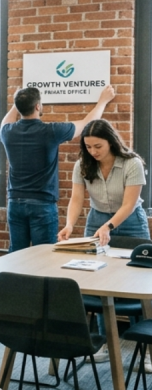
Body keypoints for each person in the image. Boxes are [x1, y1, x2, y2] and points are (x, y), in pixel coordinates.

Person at [57, 119, 149, 364]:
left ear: (111, 141)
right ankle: (103, 344)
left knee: (136, 282)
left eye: (98, 146)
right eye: (88, 147)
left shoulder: (132, 163)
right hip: (96, 217)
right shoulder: (82, 165)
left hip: (130, 220)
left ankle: (146, 350)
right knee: (97, 280)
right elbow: (76, 199)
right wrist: (69, 225)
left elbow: (129, 204)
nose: (93, 152)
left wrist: (109, 226)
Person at [0, 85, 115, 252]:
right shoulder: (50, 131)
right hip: (42, 204)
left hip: (15, 203)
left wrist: (17, 102)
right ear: (38, 106)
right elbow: (86, 124)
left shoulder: (8, 132)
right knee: (45, 255)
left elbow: (5, 122)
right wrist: (103, 101)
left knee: (16, 255)